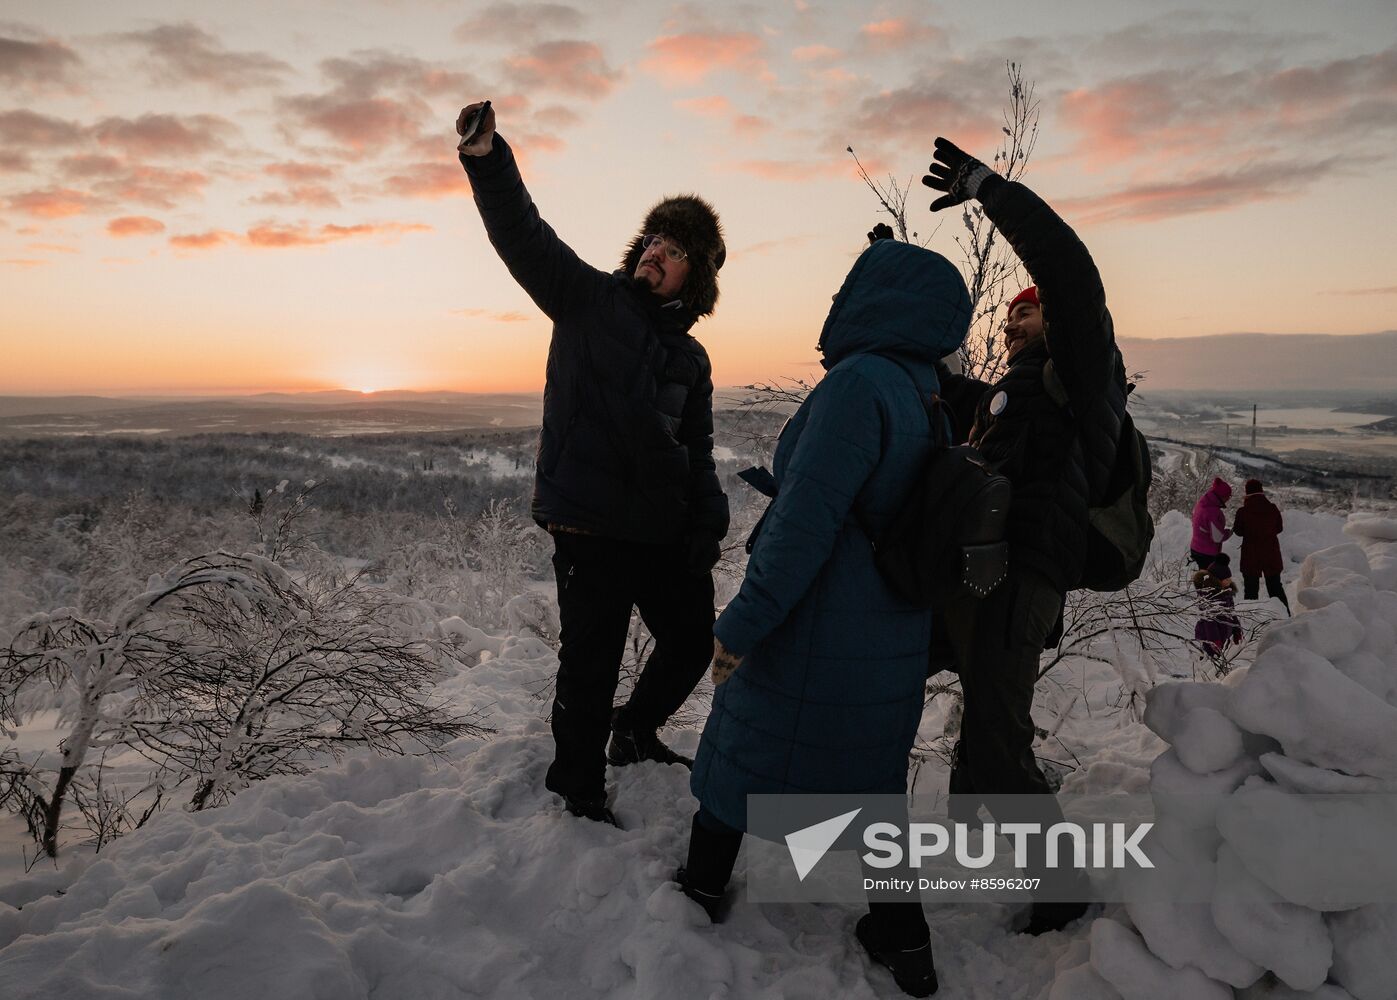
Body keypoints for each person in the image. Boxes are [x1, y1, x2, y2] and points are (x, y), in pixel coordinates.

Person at [682, 238, 973, 998]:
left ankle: (698, 894)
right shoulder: (924, 392)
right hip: (889, 632)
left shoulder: (857, 386)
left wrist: (739, 628)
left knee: (739, 756)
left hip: (817, 624)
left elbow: (800, 529)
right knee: (871, 789)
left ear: (871, 300)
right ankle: (904, 943)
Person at [456, 102, 729, 826]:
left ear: (692, 281)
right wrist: (489, 159)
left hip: (662, 531)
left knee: (691, 642)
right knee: (591, 662)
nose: (656, 251)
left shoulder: (689, 358)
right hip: (590, 527)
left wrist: (707, 523)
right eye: (654, 239)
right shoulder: (586, 301)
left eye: (675, 250)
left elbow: (697, 450)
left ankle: (633, 733)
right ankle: (576, 788)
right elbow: (523, 235)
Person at [913, 137, 1131, 936]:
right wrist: (893, 278)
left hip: (1021, 575)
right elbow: (936, 376)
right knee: (980, 721)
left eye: (1026, 311)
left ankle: (1062, 885)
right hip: (984, 574)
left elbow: (1072, 273)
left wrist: (990, 192)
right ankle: (980, 838)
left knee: (999, 735)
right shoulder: (1011, 398)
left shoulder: (1078, 379)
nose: (1014, 324)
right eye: (1009, 319)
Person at [1232, 478, 1290, 613]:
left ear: (1247, 493)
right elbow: (1279, 528)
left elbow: (1238, 532)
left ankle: (1251, 622)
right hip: (1271, 553)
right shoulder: (1272, 508)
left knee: (1251, 590)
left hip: (1251, 555)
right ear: (1261, 492)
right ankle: (1285, 617)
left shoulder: (1243, 511)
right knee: (1275, 587)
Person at [1193, 553, 1244, 660]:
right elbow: (1209, 622)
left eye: (1230, 578)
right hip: (1208, 638)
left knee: (1220, 662)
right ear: (1217, 580)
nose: (1230, 581)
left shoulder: (1226, 593)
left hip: (1223, 637)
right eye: (1226, 579)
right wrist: (1214, 641)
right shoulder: (1209, 597)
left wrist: (1237, 630)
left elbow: (1232, 614)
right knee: (1209, 662)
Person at [1191, 477, 1234, 570]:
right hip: (1206, 554)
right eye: (1228, 496)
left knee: (1199, 580)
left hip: (1195, 548)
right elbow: (1217, 537)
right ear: (1222, 496)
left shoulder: (1202, 504)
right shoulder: (1213, 512)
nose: (1228, 499)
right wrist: (1229, 532)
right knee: (1208, 582)